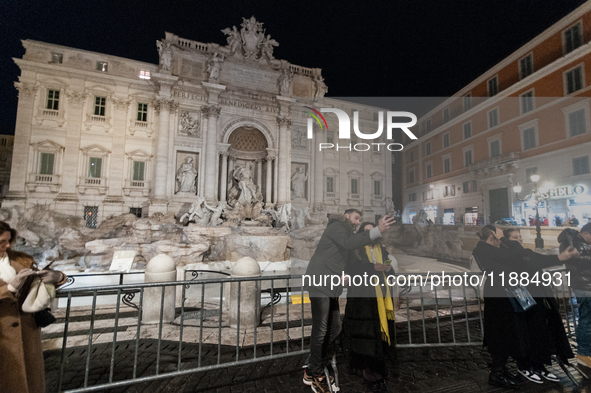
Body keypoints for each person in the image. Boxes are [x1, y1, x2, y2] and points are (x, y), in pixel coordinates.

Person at [472, 225, 577, 389]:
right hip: (498, 297)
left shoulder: (501, 249)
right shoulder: (483, 250)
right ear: (492, 235)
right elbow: (518, 261)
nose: (503, 234)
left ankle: (502, 370)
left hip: (509, 295)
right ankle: (496, 375)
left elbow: (525, 260)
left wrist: (556, 258)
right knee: (500, 335)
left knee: (508, 334)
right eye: (499, 231)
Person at [302, 210, 396, 393]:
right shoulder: (338, 226)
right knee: (321, 329)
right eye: (356, 218)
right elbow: (349, 243)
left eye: (359, 219)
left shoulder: (345, 234)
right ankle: (314, 372)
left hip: (330, 285)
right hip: (320, 282)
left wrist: (343, 274)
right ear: (346, 216)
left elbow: (345, 260)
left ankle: (317, 363)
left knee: (335, 327)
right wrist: (377, 230)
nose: (357, 221)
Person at [0, 221, 67, 392]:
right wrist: (8, 289)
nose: (7, 245)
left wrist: (57, 277)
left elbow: (39, 284)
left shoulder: (22, 259)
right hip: (3, 335)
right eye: (1, 242)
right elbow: (10, 290)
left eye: (8, 240)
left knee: (28, 382)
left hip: (26, 332)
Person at [503, 228, 576, 383]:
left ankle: (539, 365)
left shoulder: (525, 253)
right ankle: (525, 366)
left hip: (538, 298)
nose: (520, 240)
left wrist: (560, 258)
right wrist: (559, 257)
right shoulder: (511, 255)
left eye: (520, 236)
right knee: (526, 333)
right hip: (523, 299)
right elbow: (533, 262)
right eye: (515, 237)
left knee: (540, 332)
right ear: (507, 240)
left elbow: (538, 259)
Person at [342, 222, 396, 390]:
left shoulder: (382, 249)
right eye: (367, 231)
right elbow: (351, 269)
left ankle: (375, 368)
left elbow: (391, 272)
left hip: (379, 295)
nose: (371, 234)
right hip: (361, 297)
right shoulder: (354, 249)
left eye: (373, 231)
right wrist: (374, 267)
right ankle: (367, 369)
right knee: (364, 333)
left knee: (375, 333)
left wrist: (387, 268)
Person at [559, 223, 591, 368]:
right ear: (586, 233)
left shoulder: (578, 243)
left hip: (585, 286)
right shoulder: (572, 243)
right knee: (586, 321)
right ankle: (584, 355)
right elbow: (580, 262)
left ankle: (585, 353)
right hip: (584, 287)